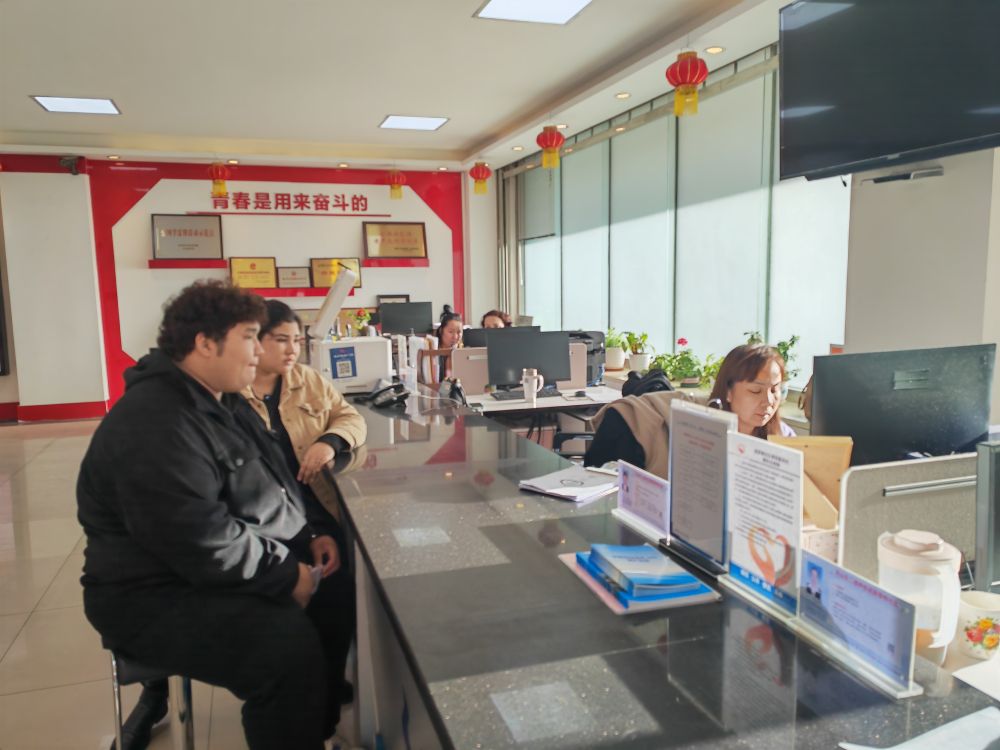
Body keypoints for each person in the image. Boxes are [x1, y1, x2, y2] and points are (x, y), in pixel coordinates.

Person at [77, 281, 346, 750]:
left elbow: (269, 486)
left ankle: (314, 727)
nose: (258, 351)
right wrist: (286, 575)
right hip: (151, 595)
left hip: (203, 571)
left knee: (337, 593)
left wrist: (308, 536)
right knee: (283, 649)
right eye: (250, 337)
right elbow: (199, 537)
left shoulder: (220, 400)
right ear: (204, 342)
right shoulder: (156, 421)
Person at [241, 299, 366, 726]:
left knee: (337, 594)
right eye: (281, 340)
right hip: (265, 518)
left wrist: (329, 442)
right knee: (287, 605)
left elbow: (350, 417)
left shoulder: (306, 380)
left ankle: (326, 695)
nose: (292, 350)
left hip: (315, 508)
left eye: (297, 340)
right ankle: (298, 691)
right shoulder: (232, 392)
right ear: (253, 341)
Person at [707, 343, 796, 438]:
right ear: (728, 391)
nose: (768, 401)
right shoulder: (702, 433)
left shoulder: (785, 436)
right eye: (756, 390)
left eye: (774, 390)